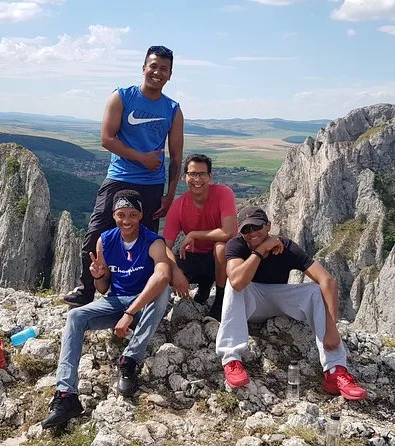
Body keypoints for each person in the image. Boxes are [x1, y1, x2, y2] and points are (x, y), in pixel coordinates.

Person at [64, 45, 184, 307]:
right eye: (153, 66)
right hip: (119, 177)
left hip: (152, 185)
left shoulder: (173, 109)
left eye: (164, 69)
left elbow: (176, 157)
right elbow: (106, 139)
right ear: (144, 68)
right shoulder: (122, 97)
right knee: (96, 232)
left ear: (170, 74)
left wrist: (170, 195)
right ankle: (86, 290)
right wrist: (141, 158)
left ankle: (141, 297)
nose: (157, 72)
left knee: (146, 242)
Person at [42, 190, 171, 429]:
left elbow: (163, 275)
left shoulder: (153, 242)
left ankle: (130, 359)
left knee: (163, 288)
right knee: (75, 315)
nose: (127, 220)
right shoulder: (106, 240)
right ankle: (66, 395)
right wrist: (99, 276)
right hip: (117, 301)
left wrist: (130, 313)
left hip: (144, 304)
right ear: (113, 215)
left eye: (132, 214)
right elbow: (103, 288)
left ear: (141, 215)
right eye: (121, 215)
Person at [216, 206, 367, 400]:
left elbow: (327, 281)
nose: (252, 232)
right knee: (233, 283)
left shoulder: (286, 247)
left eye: (257, 226)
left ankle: (335, 370)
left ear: (268, 226)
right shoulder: (236, 245)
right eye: (246, 229)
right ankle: (231, 360)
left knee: (316, 290)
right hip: (252, 303)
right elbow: (237, 282)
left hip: (280, 301)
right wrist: (261, 250)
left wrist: (332, 328)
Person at [163, 153, 237, 320]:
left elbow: (229, 232)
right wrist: (176, 272)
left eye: (202, 174)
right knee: (164, 268)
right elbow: (165, 246)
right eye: (192, 174)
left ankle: (220, 300)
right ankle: (204, 285)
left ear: (210, 176)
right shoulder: (178, 206)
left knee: (220, 247)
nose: (197, 179)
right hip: (195, 257)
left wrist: (194, 234)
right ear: (184, 177)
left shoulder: (224, 193)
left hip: (223, 259)